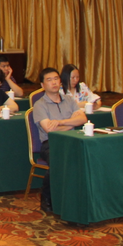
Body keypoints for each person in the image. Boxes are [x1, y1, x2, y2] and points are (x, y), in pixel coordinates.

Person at [31, 68, 87, 213]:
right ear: (42, 85)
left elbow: (83, 119)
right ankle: (47, 197)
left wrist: (61, 122)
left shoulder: (69, 100)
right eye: (49, 80)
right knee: (59, 161)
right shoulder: (40, 105)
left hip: (73, 139)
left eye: (56, 79)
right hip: (51, 143)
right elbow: (50, 130)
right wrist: (71, 123)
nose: (54, 82)